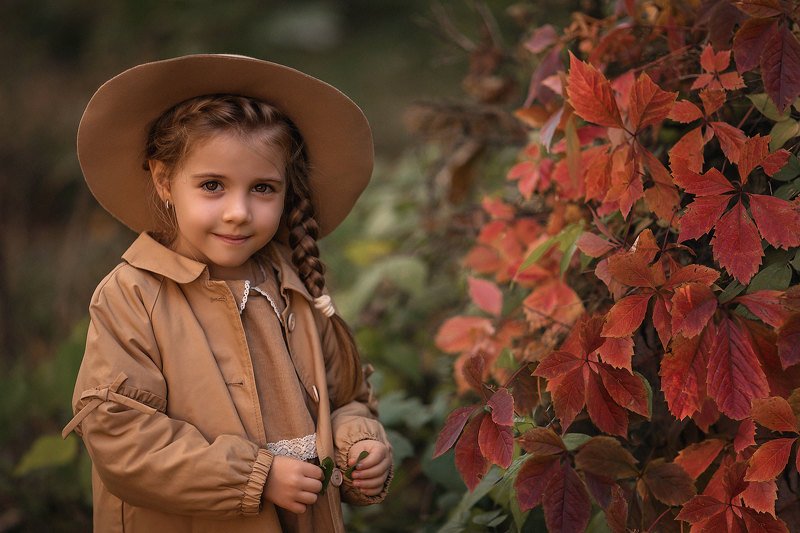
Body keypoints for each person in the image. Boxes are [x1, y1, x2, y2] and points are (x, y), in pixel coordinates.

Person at [62, 54, 392, 532]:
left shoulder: (293, 284)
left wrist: (358, 444)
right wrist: (254, 478)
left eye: (262, 188)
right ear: (164, 181)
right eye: (213, 185)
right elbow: (121, 435)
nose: (238, 212)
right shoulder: (132, 295)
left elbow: (345, 399)